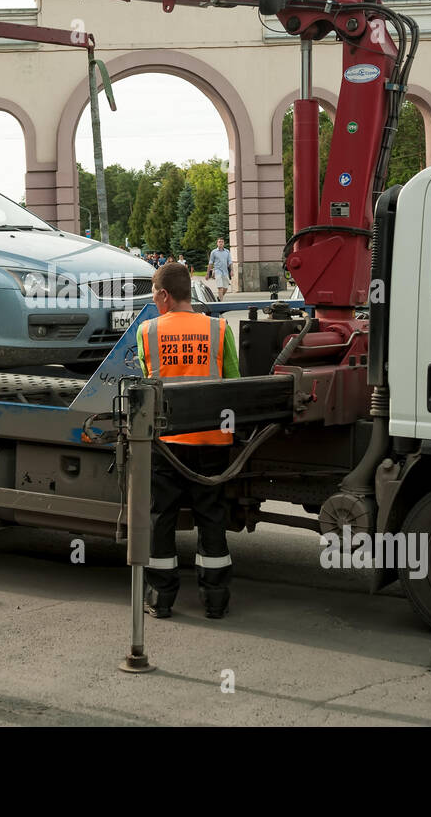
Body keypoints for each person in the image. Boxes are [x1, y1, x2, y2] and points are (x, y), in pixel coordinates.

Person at [136, 262, 241, 619]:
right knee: (212, 516)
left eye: (153, 292)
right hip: (213, 443)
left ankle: (161, 598)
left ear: (164, 294)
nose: (153, 298)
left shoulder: (148, 331)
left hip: (166, 443)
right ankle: (216, 599)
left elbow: (143, 383)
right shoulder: (218, 328)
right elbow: (235, 382)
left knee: (161, 516)